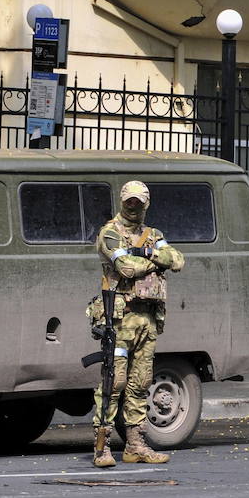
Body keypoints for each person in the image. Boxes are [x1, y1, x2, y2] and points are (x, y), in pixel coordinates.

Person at [90, 180, 184, 468]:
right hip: (120, 319)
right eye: (129, 201)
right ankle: (102, 446)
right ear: (122, 201)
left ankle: (136, 446)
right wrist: (157, 259)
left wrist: (146, 254)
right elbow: (125, 268)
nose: (133, 206)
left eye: (138, 202)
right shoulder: (110, 233)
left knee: (141, 383)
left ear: (146, 204)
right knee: (114, 382)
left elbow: (178, 260)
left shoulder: (153, 234)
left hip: (147, 319)